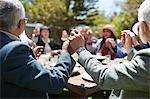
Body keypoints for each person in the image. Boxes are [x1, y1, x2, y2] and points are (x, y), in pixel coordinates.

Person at [68, 0, 150, 98]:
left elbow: (106, 75)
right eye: (104, 31)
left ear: (143, 27)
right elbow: (93, 50)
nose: (106, 33)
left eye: (108, 31)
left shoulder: (118, 42)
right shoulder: (99, 42)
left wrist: (81, 49)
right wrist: (129, 50)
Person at [0, 0, 76, 98]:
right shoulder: (14, 50)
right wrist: (66, 52)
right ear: (21, 23)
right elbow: (55, 82)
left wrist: (29, 58)